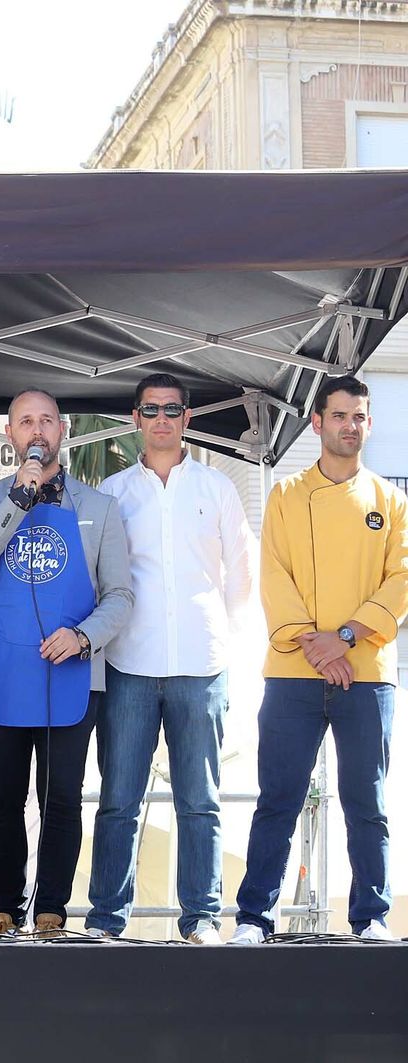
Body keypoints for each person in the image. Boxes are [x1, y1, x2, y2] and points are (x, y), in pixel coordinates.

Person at [229, 375, 406, 944]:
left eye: (359, 417)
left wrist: (347, 637)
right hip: (292, 673)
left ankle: (371, 917)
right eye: (339, 416)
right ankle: (255, 916)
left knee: (366, 802)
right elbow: (273, 577)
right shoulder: (285, 495)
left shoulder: (390, 500)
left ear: (368, 424)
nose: (349, 426)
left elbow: (402, 580)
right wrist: (318, 644)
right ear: (318, 423)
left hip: (367, 674)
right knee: (278, 797)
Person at [0, 388, 133, 935]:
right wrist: (20, 497)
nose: (37, 431)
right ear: (9, 435)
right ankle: (7, 906)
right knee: (1, 796)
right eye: (25, 421)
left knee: (61, 797)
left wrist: (82, 637)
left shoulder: (99, 507)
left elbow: (120, 595)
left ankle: (52, 910)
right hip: (0, 674)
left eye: (47, 421)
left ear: (64, 430)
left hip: (71, 674)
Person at [86, 374, 254, 945]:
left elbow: (240, 578)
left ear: (188, 418)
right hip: (129, 665)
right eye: (151, 409)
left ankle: (202, 919)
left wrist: (225, 646)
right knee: (118, 802)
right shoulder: (112, 493)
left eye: (172, 409)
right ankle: (107, 920)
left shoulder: (218, 489)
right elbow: (101, 582)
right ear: (136, 419)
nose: (161, 418)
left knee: (200, 803)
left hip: (201, 667)